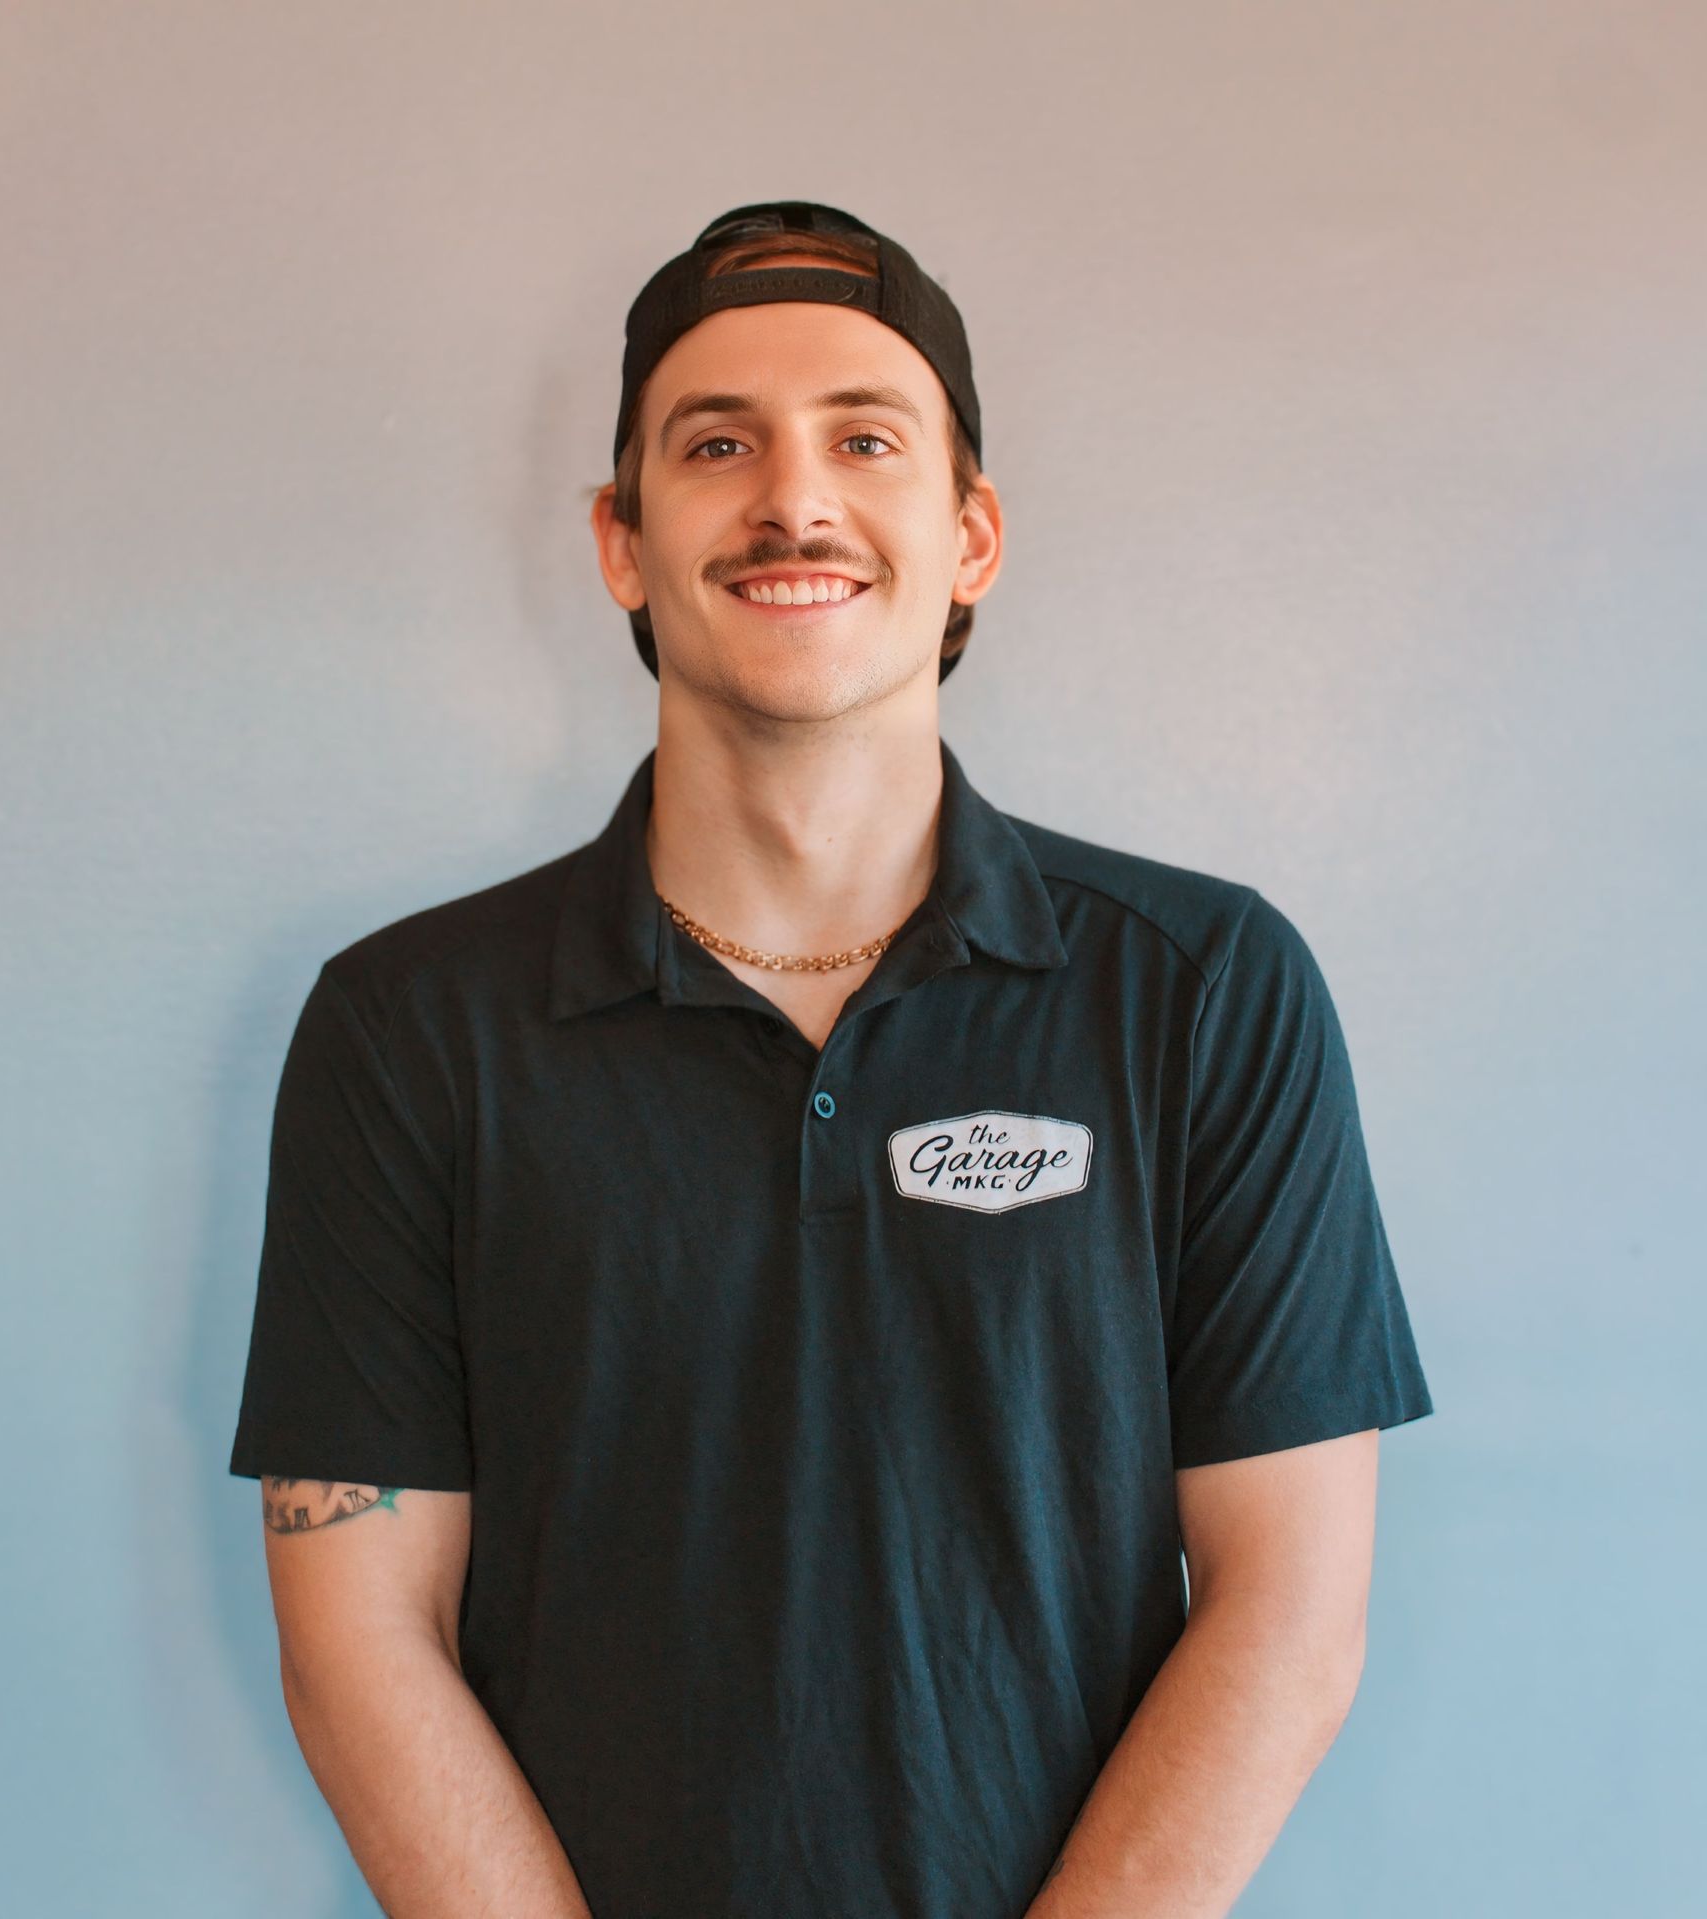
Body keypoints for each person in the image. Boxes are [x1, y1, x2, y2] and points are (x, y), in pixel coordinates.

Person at [227, 201, 1436, 1919]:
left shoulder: (1202, 988)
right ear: (621, 542)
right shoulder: (409, 1028)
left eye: (864, 440)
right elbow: (360, 1639)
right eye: (716, 444)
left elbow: (1291, 1609)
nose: (793, 498)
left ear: (971, 535)